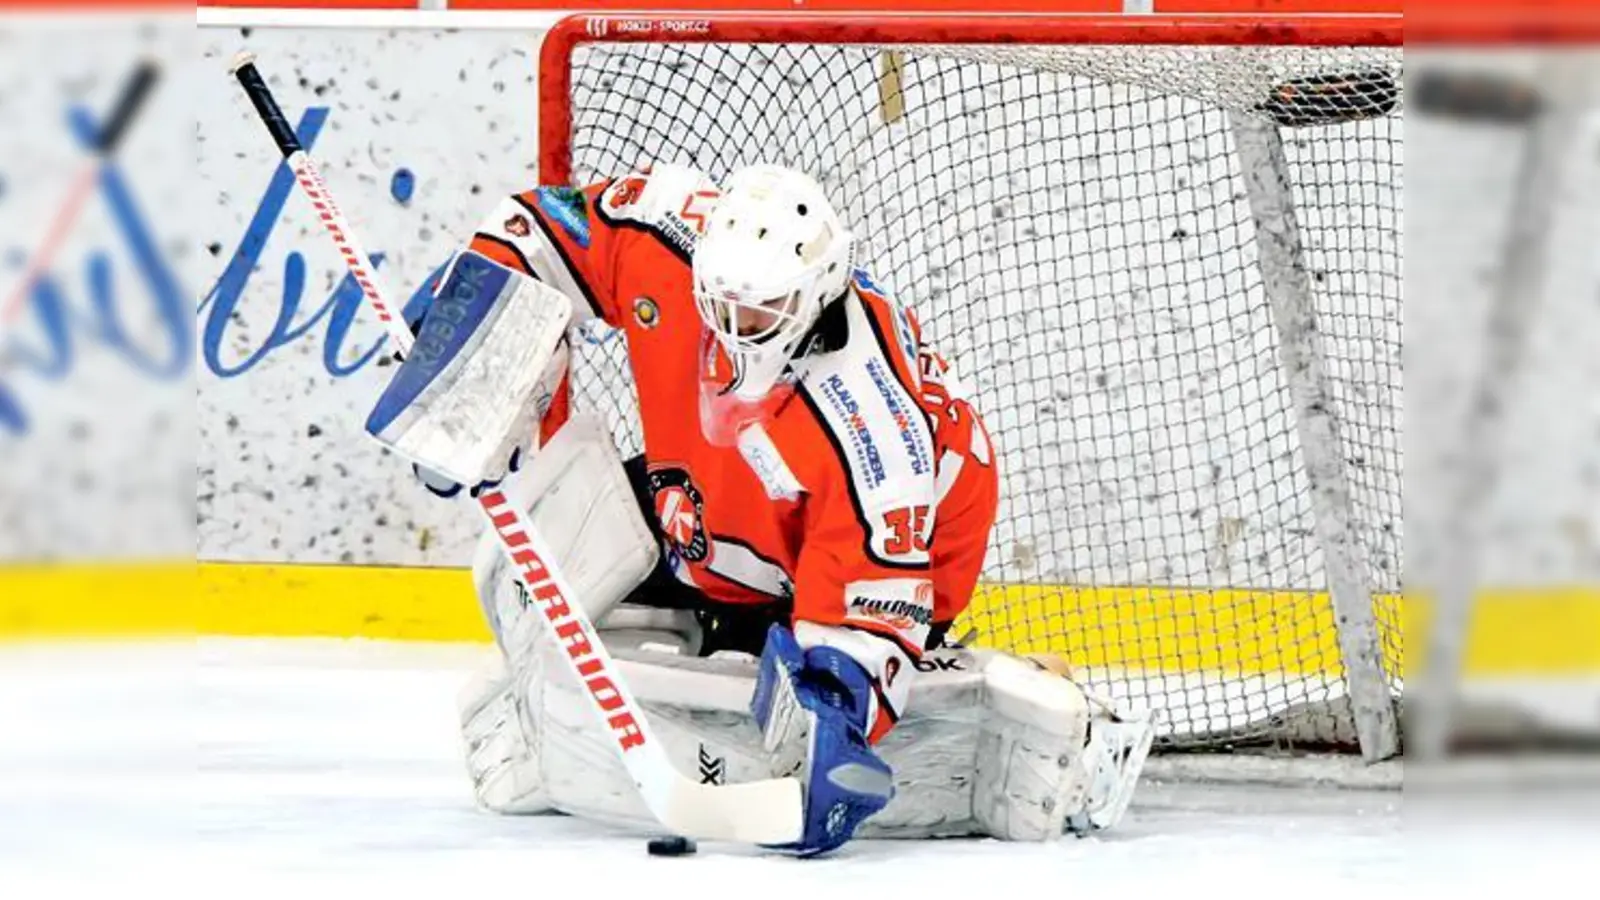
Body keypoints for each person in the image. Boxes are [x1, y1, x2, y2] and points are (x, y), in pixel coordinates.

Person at [364, 162, 1154, 857]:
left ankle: (1058, 721)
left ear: (815, 293)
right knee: (559, 556)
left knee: (815, 708)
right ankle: (676, 651)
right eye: (722, 306)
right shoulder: (669, 230)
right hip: (717, 496)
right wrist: (468, 318)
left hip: (893, 539)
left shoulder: (872, 427)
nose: (734, 330)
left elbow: (869, 606)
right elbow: (545, 229)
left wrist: (838, 713)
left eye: (762, 313)